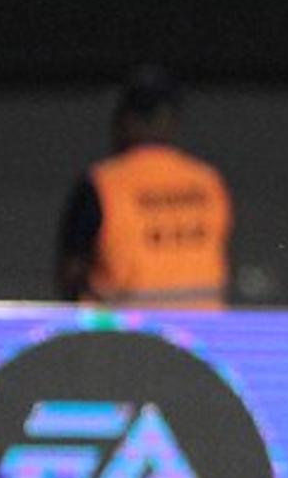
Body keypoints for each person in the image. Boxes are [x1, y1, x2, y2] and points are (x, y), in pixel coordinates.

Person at [56, 65, 233, 308]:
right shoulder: (207, 181)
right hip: (201, 335)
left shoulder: (102, 183)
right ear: (172, 121)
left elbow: (71, 273)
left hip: (126, 336)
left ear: (124, 120)